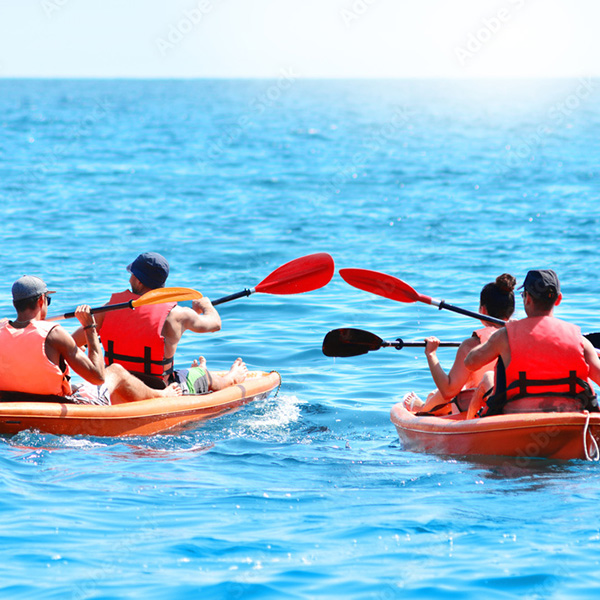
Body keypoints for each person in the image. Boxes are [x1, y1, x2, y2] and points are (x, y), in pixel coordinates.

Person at [72, 252, 247, 394]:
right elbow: (215, 324)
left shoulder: (108, 310)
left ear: (139, 281)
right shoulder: (178, 315)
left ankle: (204, 372)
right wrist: (206, 306)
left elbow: (72, 343)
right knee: (203, 376)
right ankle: (230, 378)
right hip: (160, 388)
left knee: (194, 373)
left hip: (114, 386)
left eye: (131, 275)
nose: (129, 279)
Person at [0, 275, 181, 405]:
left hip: (9, 401)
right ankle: (162, 395)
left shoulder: (2, 328)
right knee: (115, 371)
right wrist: (90, 328)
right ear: (41, 300)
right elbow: (97, 377)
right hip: (55, 405)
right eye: (48, 299)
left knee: (78, 385)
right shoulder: (54, 333)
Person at [464, 269, 600, 418]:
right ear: (558, 299)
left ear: (527, 298)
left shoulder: (504, 336)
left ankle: (468, 428)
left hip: (516, 418)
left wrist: (500, 334)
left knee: (488, 378)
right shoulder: (580, 340)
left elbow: (470, 362)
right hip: (570, 417)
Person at [404, 273, 516, 415]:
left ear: (482, 310)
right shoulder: (522, 335)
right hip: (516, 401)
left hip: (481, 409)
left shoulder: (471, 345)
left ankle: (421, 408)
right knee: (458, 389)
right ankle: (424, 404)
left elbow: (448, 391)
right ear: (511, 312)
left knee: (450, 393)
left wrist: (431, 354)